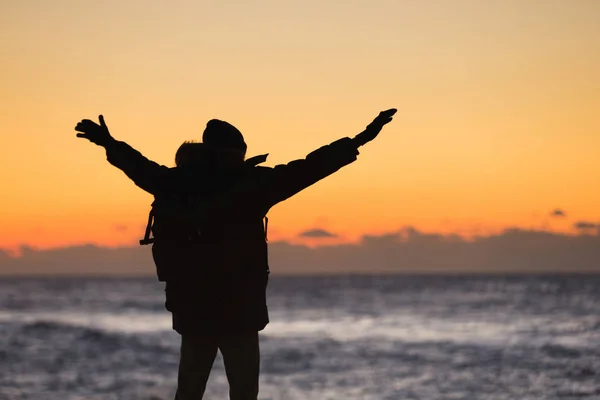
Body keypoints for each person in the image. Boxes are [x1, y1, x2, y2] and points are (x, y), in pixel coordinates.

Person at [74, 108, 397, 400]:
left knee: (189, 387)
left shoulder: (174, 182)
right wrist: (360, 139)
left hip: (193, 301)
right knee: (242, 390)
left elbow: (137, 165)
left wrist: (108, 142)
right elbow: (310, 168)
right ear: (236, 153)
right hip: (239, 304)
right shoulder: (254, 183)